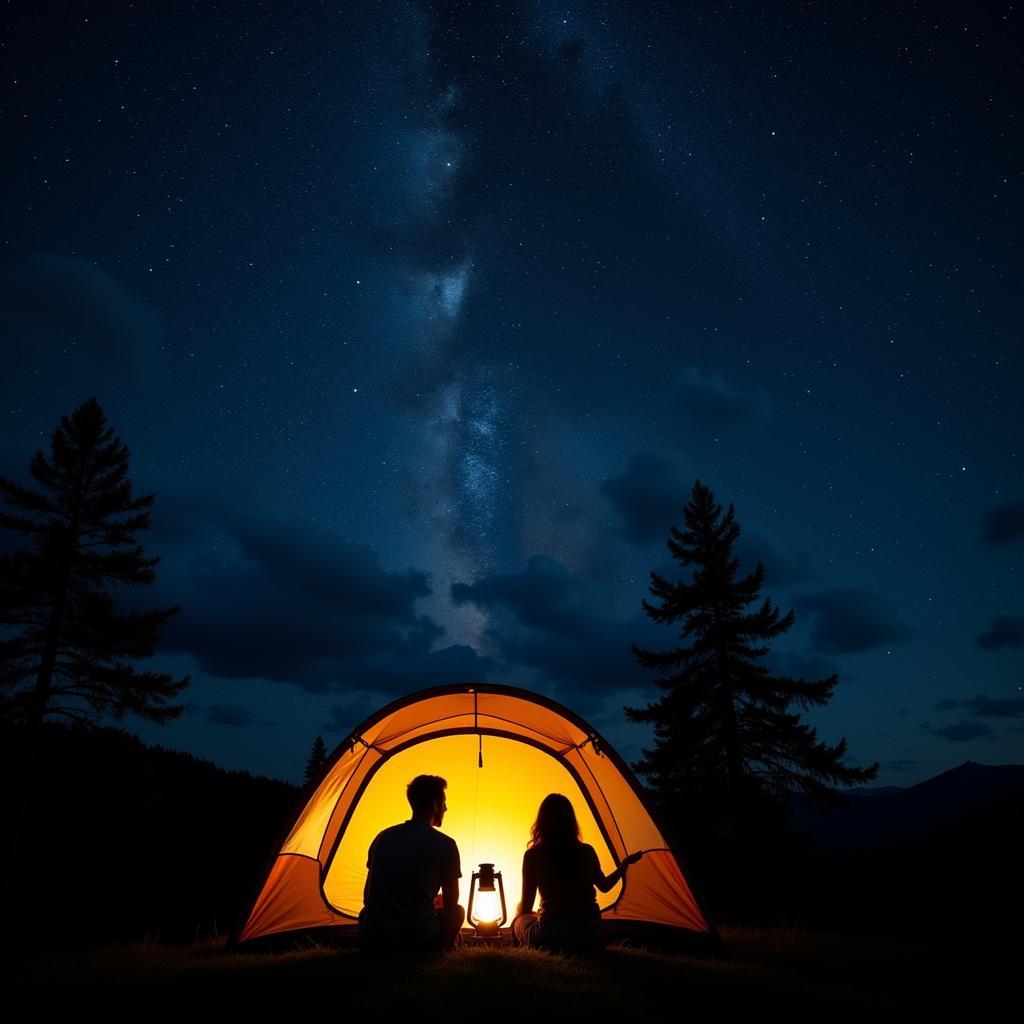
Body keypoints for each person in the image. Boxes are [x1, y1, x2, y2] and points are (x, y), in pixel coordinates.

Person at [512, 793, 643, 954]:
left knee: (520, 920)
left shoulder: (533, 855)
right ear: (571, 821)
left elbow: (526, 905)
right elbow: (605, 886)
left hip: (553, 937)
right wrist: (623, 866)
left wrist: (525, 915)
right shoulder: (586, 851)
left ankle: (519, 948)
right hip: (592, 936)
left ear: (542, 822)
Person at [358, 774, 465, 953]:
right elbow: (451, 903)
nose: (446, 808)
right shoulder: (446, 844)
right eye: (444, 802)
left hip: (372, 940)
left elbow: (367, 897)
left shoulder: (383, 838)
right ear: (435, 804)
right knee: (458, 912)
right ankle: (440, 948)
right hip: (417, 941)